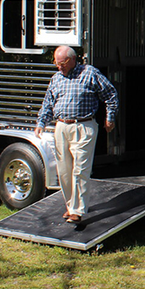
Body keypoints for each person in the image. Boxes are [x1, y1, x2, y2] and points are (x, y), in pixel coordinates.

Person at [34, 46, 119, 224]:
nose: (59, 67)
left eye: (62, 63)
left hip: (84, 125)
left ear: (72, 59)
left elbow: (110, 94)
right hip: (61, 126)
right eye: (56, 64)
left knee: (80, 169)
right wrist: (41, 123)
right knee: (64, 171)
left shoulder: (89, 73)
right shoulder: (56, 79)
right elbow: (48, 103)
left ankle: (77, 211)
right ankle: (70, 205)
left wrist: (110, 118)